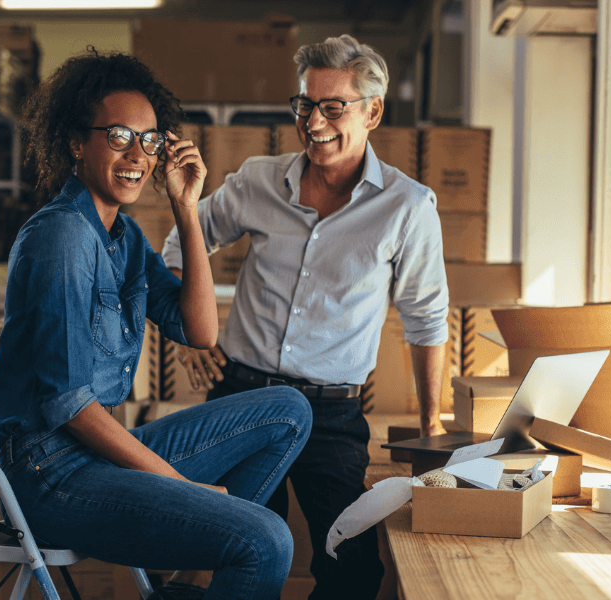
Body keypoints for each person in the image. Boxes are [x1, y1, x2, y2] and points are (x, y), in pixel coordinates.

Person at [0, 49, 313, 600]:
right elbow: (68, 406)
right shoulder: (62, 237)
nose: (138, 153)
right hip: (51, 479)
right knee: (266, 542)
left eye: (150, 139)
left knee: (288, 410)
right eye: (118, 136)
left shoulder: (125, 237)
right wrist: (184, 488)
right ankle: (202, 554)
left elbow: (200, 332)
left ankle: (185, 583)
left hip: (93, 456)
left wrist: (188, 209)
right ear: (75, 142)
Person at [161, 35, 450, 599]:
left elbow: (426, 318)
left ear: (373, 111)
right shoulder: (258, 181)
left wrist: (432, 422)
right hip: (240, 400)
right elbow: (178, 248)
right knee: (234, 558)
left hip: (331, 414)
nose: (313, 121)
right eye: (304, 105)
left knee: (353, 566)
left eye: (332, 107)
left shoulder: (407, 206)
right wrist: (190, 339)